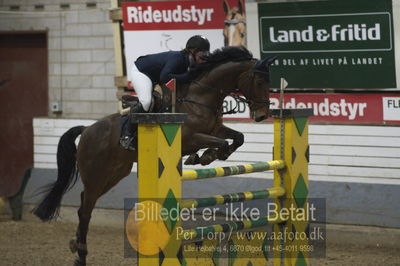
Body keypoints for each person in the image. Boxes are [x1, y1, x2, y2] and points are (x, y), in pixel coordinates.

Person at [120, 35, 211, 150]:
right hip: (142, 72)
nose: (204, 57)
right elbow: (165, 77)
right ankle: (127, 135)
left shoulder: (191, 63)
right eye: (202, 54)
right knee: (147, 102)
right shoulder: (178, 58)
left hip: (155, 76)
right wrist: (188, 76)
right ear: (193, 51)